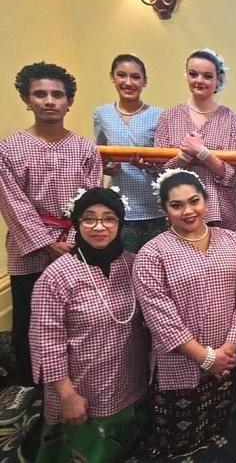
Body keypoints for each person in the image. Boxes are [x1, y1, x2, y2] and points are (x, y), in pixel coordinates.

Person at [0, 62, 102, 425]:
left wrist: (74, 240)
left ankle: (72, 375)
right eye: (40, 94)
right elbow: (12, 202)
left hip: (77, 242)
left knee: (74, 312)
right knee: (29, 317)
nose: (49, 101)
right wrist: (45, 243)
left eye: (57, 95)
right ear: (26, 99)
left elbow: (91, 199)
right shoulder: (9, 148)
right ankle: (28, 384)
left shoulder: (85, 148)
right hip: (29, 246)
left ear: (69, 102)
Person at [132, 169, 236, 460]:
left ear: (206, 200)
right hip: (181, 359)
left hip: (228, 352)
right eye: (176, 205)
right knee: (177, 428)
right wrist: (205, 357)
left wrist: (229, 348)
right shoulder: (152, 254)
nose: (188, 211)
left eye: (194, 201)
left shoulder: (233, 241)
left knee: (218, 414)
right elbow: (159, 316)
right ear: (165, 209)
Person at [29, 187, 148, 462]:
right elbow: (46, 343)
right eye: (89, 218)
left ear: (120, 223)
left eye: (109, 218)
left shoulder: (133, 264)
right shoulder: (56, 276)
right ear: (76, 223)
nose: (99, 227)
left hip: (129, 378)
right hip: (80, 387)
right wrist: (67, 395)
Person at [154, 48, 236, 231]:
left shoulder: (232, 120)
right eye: (193, 74)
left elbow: (233, 176)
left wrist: (202, 153)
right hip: (180, 211)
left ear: (219, 79)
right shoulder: (168, 117)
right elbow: (161, 172)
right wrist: (185, 156)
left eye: (207, 76)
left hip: (221, 209)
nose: (199, 81)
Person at [94, 54, 166, 252]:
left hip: (154, 206)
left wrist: (150, 165)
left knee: (154, 261)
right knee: (121, 262)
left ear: (145, 81)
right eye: (121, 75)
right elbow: (98, 156)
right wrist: (107, 168)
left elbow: (168, 165)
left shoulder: (159, 115)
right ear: (112, 77)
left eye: (135, 77)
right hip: (119, 205)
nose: (128, 82)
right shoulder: (102, 114)